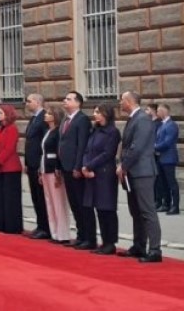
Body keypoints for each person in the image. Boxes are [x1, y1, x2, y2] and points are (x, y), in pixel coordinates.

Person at [117, 91, 163, 263]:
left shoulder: (142, 119)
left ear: (129, 101)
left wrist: (124, 166)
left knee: (147, 211)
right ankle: (139, 245)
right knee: (135, 211)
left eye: (122, 100)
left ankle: (155, 249)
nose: (120, 103)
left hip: (142, 171)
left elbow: (137, 147)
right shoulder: (133, 118)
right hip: (132, 171)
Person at [81, 104, 121, 255]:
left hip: (105, 173)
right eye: (95, 111)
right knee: (96, 207)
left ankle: (110, 242)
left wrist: (89, 166)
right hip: (91, 172)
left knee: (107, 208)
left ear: (106, 114)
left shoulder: (112, 132)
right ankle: (102, 240)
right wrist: (85, 166)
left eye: (98, 112)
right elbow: (87, 150)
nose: (95, 114)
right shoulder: (95, 130)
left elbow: (107, 153)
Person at [59, 91, 96, 249]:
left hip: (75, 168)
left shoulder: (82, 120)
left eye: (69, 99)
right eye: (65, 98)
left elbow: (82, 145)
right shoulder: (65, 119)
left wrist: (78, 166)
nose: (65, 101)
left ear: (78, 103)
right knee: (74, 203)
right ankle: (81, 235)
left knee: (82, 204)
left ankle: (89, 237)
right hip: (65, 167)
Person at [39, 107, 71, 244]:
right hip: (45, 167)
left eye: (49, 113)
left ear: (55, 116)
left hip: (53, 169)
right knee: (50, 201)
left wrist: (58, 168)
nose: (46, 115)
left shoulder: (58, 132)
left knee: (58, 202)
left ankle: (63, 233)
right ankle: (55, 232)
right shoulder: (48, 131)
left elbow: (59, 151)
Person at [0, 104, 23, 234]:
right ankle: (0, 223)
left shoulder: (12, 129)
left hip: (10, 167)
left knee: (10, 198)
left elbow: (9, 148)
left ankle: (12, 225)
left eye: (0, 113)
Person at [24, 94, 50, 239]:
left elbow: (43, 143)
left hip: (39, 163)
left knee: (41, 197)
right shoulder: (33, 118)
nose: (27, 104)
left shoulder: (44, 118)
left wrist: (41, 165)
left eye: (29, 101)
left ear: (38, 102)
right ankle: (40, 224)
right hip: (31, 163)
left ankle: (45, 227)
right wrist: (27, 163)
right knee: (35, 196)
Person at [155, 104, 179, 215]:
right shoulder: (162, 125)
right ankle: (166, 204)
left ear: (164, 111)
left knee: (171, 183)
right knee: (163, 183)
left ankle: (175, 206)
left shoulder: (171, 125)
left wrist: (154, 147)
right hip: (161, 158)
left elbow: (167, 142)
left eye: (158, 111)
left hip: (169, 158)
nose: (157, 113)